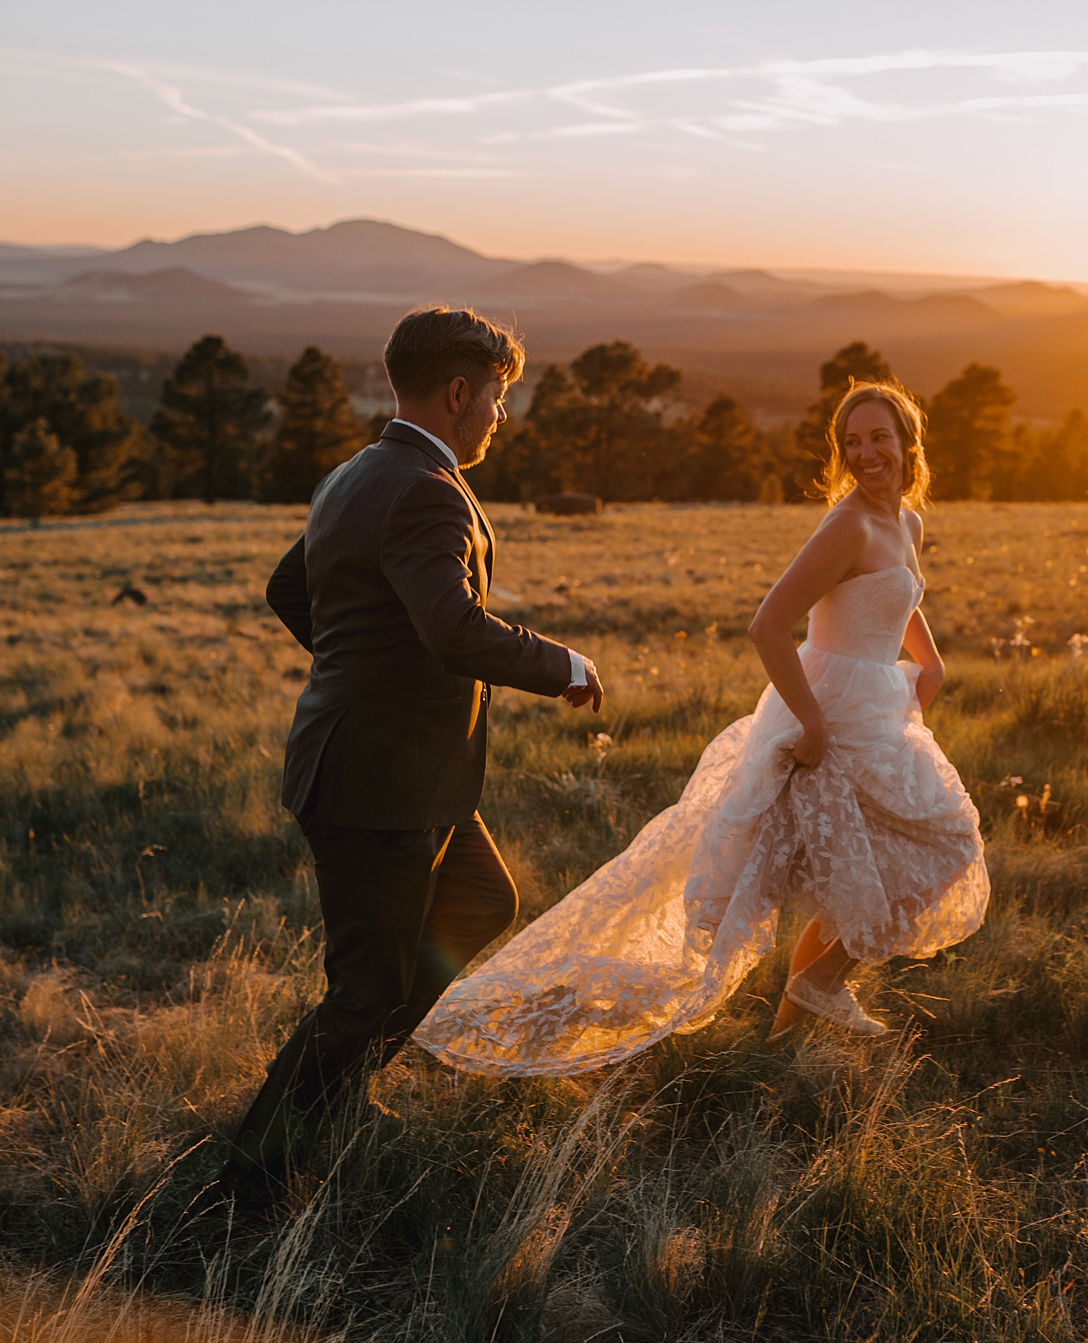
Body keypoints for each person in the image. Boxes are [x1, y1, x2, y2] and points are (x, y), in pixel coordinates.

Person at [413, 381, 988, 1077]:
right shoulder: (847, 524)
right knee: (941, 844)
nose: (866, 454)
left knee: (877, 871)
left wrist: (931, 662)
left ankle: (791, 1040)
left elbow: (901, 590)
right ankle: (810, 984)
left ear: (907, 443)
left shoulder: (905, 523)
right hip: (828, 713)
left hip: (879, 706)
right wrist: (810, 724)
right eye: (852, 442)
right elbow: (769, 625)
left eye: (879, 438)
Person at [213, 306, 604, 1208]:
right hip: (376, 781)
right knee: (364, 991)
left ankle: (337, 1096)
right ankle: (254, 1174)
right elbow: (455, 631)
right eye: (498, 397)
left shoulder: (354, 473)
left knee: (478, 900)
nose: (502, 417)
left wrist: (360, 664)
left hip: (406, 771)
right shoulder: (426, 488)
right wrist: (565, 664)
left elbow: (290, 586)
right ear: (459, 393)